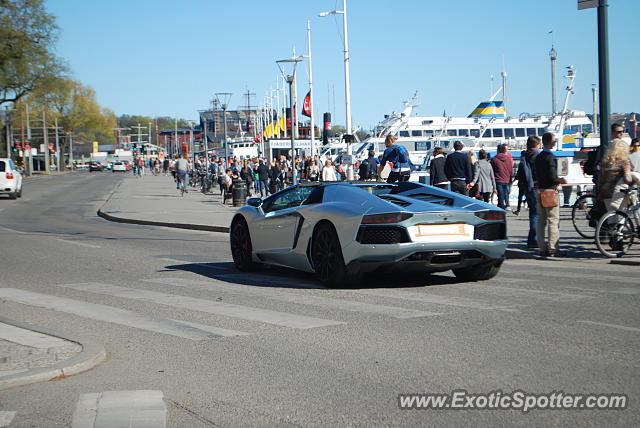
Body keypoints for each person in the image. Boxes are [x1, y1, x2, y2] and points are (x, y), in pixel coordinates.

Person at [534, 132, 567, 257]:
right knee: (553, 220)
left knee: (541, 221)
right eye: (554, 140)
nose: (555, 142)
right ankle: (553, 248)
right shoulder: (551, 157)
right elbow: (553, 176)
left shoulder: (538, 157)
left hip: (540, 190)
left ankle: (542, 248)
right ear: (550, 142)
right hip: (550, 191)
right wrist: (561, 180)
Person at [596, 139, 640, 213]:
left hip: (606, 192)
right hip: (618, 194)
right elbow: (627, 179)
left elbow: (600, 179)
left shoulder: (606, 162)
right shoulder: (624, 162)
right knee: (620, 218)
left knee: (611, 218)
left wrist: (599, 193)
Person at [516, 136, 541, 249]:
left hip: (526, 187)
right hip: (535, 186)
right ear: (537, 145)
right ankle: (533, 239)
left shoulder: (524, 155)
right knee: (536, 214)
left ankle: (532, 239)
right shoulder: (537, 156)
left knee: (533, 213)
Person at [490, 144, 514, 209]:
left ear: (498, 150)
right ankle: (506, 206)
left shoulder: (494, 159)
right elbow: (511, 170)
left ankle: (501, 208)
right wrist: (511, 180)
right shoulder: (508, 159)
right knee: (506, 194)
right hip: (506, 179)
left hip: (498, 179)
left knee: (500, 196)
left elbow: (491, 170)